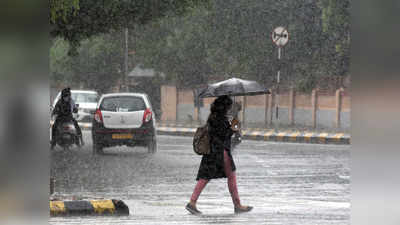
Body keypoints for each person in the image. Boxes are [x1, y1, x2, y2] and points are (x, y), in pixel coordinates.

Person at [186, 95, 253, 214]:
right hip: (220, 152)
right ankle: (237, 205)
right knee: (231, 176)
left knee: (205, 177)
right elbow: (227, 134)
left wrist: (235, 118)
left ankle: (192, 202)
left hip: (212, 152)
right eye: (229, 107)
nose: (229, 109)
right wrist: (236, 118)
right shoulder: (220, 119)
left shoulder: (213, 117)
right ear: (224, 108)